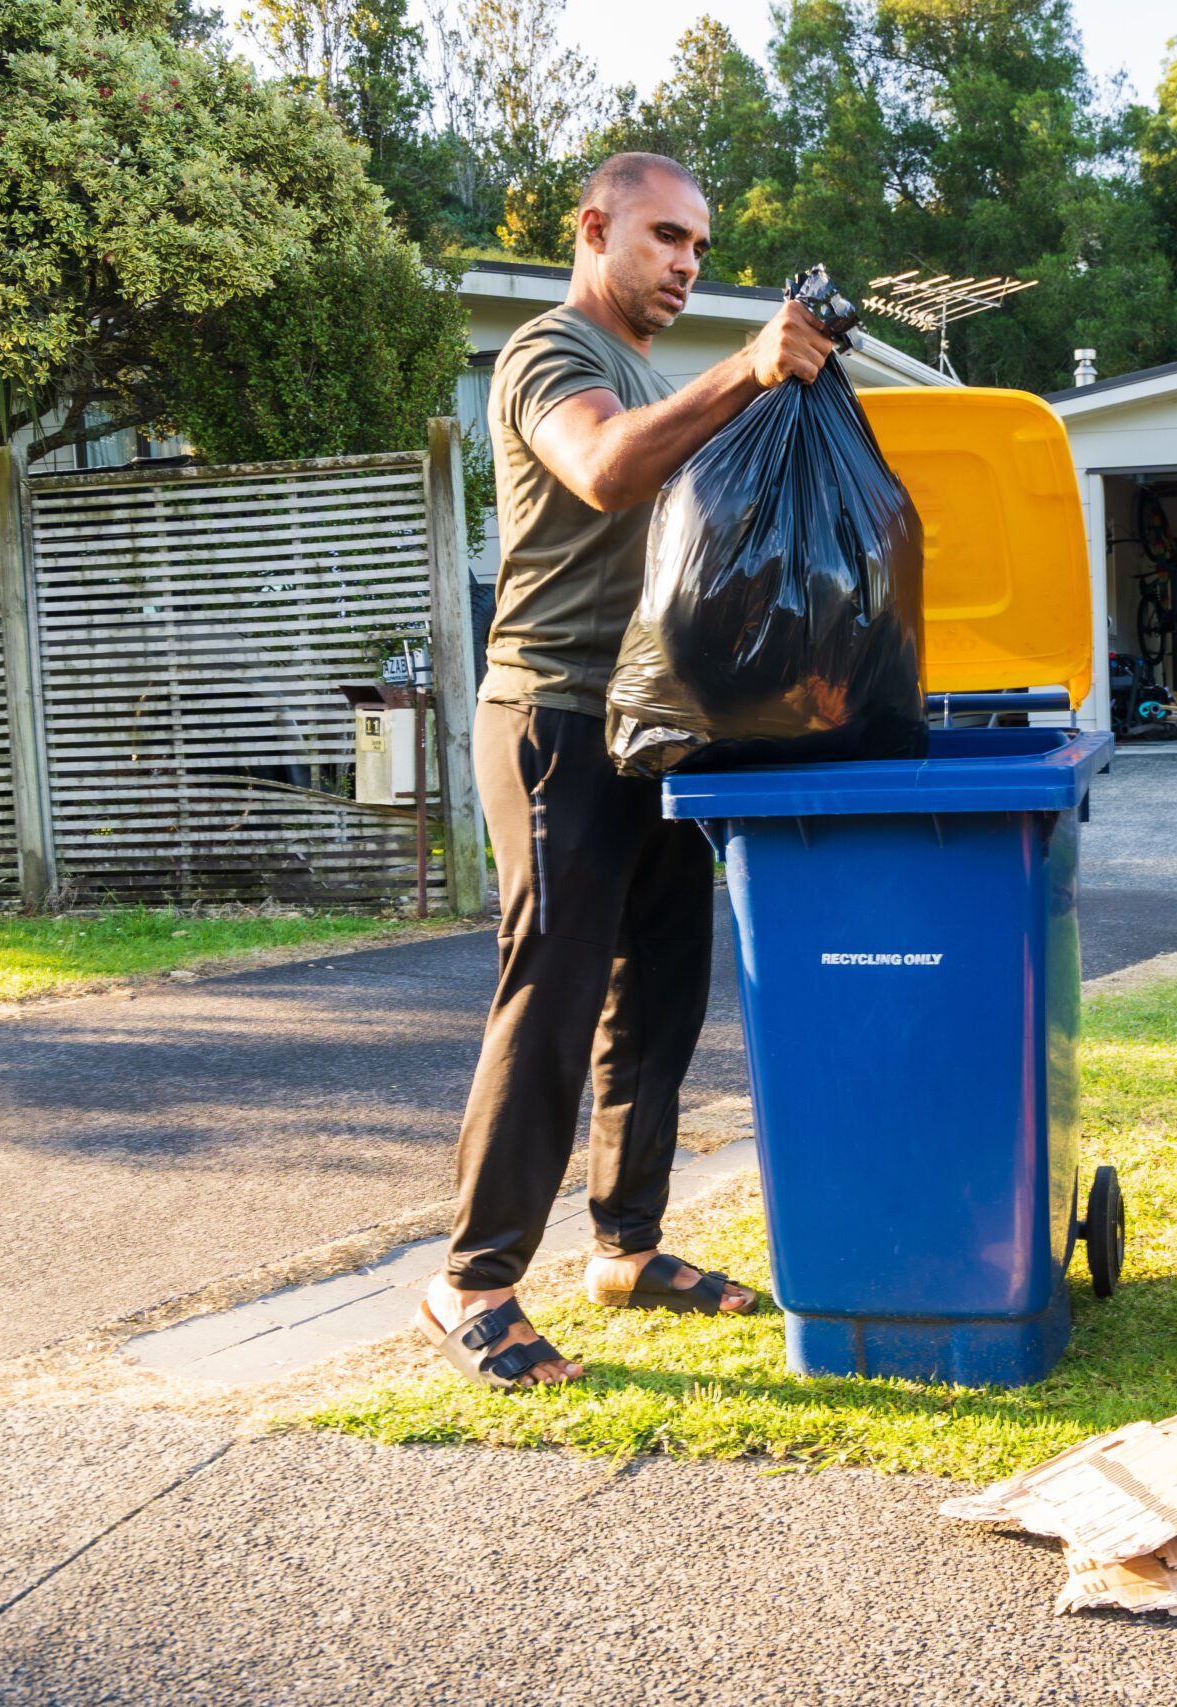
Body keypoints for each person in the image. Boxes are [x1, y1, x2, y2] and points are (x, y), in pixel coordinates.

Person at [419, 153, 838, 1390]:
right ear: (595, 228)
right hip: (553, 718)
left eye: (699, 246)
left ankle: (626, 1247)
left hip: (653, 726)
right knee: (550, 995)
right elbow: (603, 466)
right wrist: (749, 367)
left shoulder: (652, 374)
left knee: (659, 998)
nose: (687, 263)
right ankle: (472, 1280)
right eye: (665, 236)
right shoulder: (549, 352)